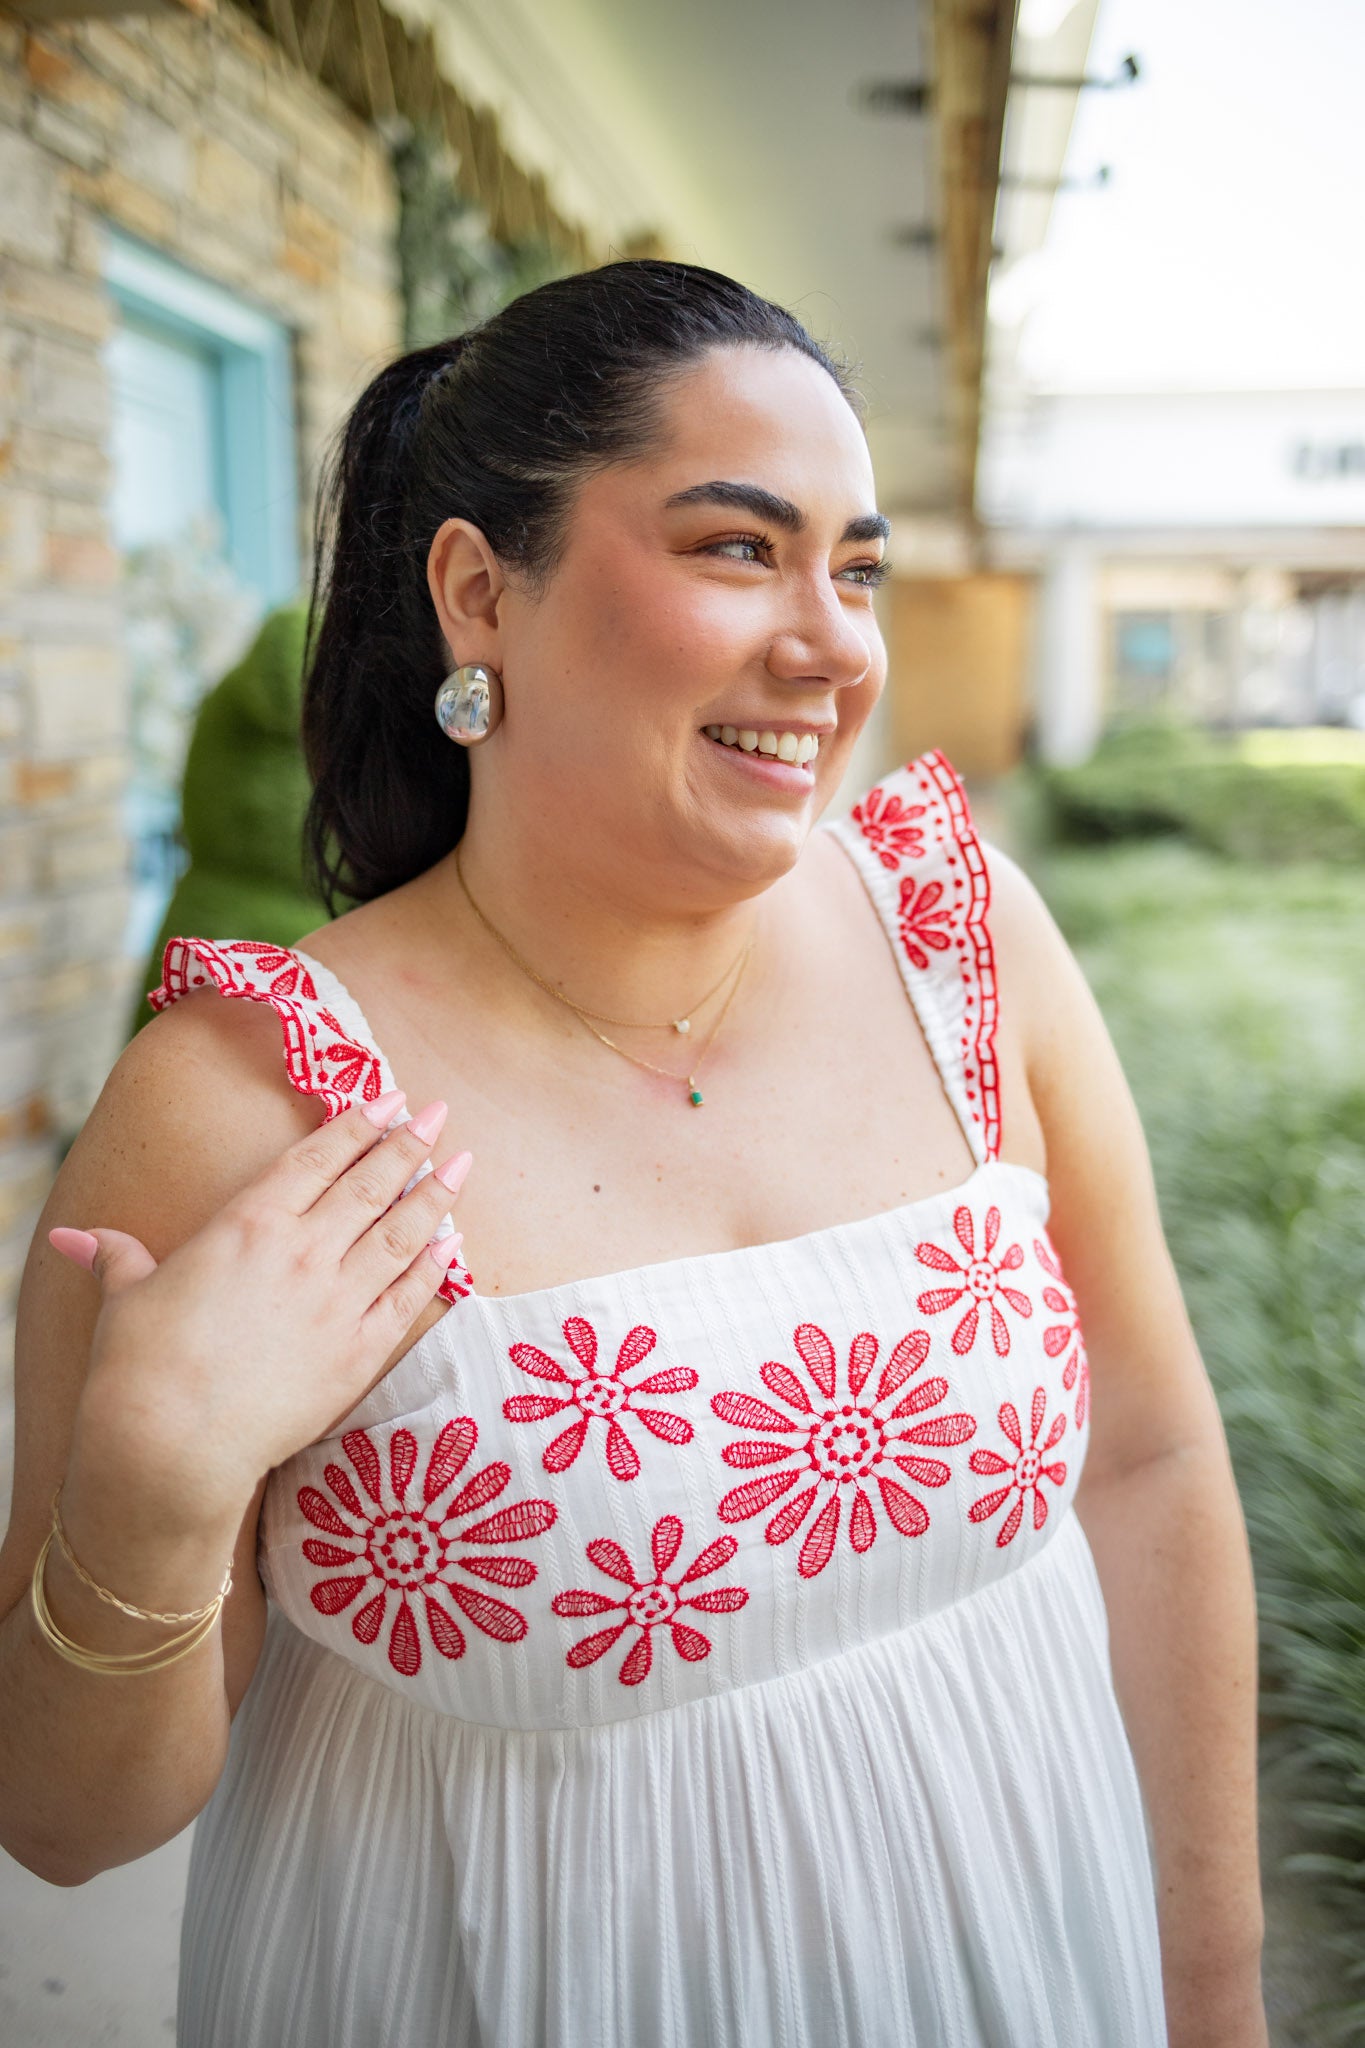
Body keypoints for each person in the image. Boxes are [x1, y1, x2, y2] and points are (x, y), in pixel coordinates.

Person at [0, 262, 1265, 2047]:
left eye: (857, 565)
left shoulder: (962, 936)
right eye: (737, 549)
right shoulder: (247, 1103)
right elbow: (60, 1826)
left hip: (1034, 1962)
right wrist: (151, 1484)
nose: (830, 641)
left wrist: (1211, 1995)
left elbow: (1142, 1461)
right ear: (475, 593)